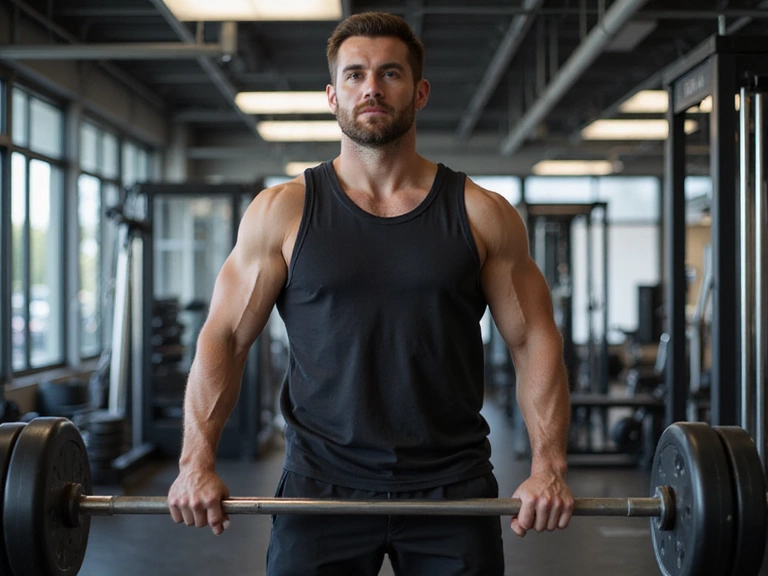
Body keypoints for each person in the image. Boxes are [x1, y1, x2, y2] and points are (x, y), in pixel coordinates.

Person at [168, 11, 574, 575]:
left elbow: (534, 341)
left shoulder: (481, 213)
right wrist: (196, 461)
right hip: (319, 485)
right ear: (332, 95)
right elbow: (227, 337)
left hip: (452, 487)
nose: (372, 88)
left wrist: (548, 464)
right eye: (355, 75)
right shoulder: (283, 210)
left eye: (390, 73)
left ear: (420, 91)